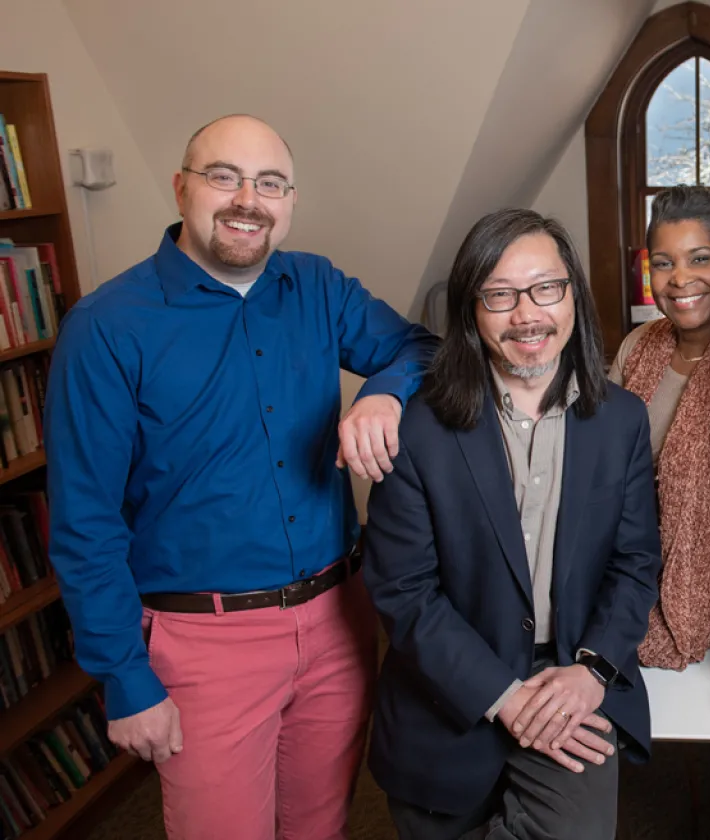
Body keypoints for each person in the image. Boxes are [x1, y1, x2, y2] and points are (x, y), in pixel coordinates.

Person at [42, 114, 437, 840]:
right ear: (182, 188)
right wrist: (126, 679)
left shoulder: (319, 285)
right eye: (224, 176)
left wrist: (383, 390)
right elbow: (83, 524)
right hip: (202, 645)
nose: (247, 199)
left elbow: (422, 348)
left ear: (289, 201)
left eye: (270, 183)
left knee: (320, 828)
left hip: (336, 623)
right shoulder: (105, 328)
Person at [362, 208, 661, 840]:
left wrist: (593, 671)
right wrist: (505, 696)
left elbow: (636, 564)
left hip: (569, 676)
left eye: (545, 288)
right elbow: (404, 593)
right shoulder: (417, 429)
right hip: (447, 687)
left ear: (572, 295)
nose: (527, 315)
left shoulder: (622, 421)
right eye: (499, 295)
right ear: (472, 310)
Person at [608, 186, 710, 670]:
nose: (680, 279)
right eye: (664, 263)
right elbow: (600, 464)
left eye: (700, 259)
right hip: (631, 567)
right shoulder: (638, 347)